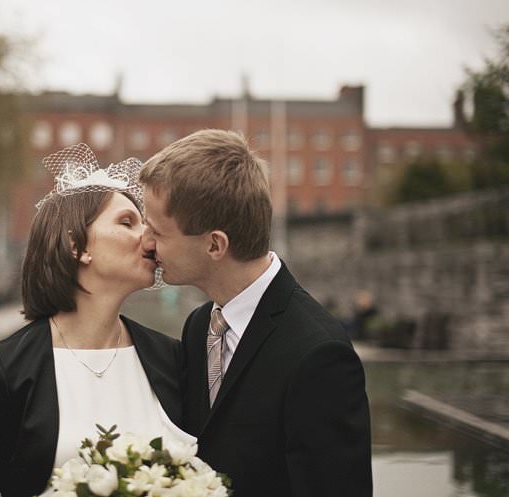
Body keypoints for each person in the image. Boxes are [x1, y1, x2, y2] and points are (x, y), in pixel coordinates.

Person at [0, 144, 194, 497]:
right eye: (126, 222)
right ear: (77, 246)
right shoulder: (5, 369)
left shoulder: (172, 358)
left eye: (145, 224)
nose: (147, 238)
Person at [140, 129, 372, 497]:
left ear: (215, 244)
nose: (146, 242)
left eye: (157, 231)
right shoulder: (199, 326)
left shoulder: (318, 354)